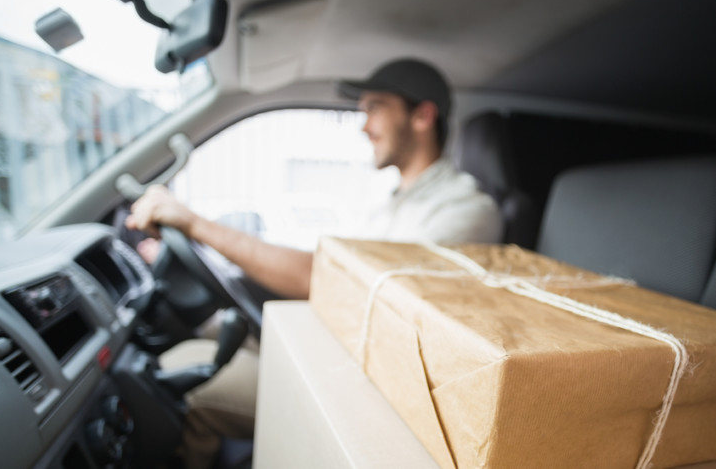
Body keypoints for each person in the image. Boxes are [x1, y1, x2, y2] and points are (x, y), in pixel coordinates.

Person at [125, 58, 503, 468]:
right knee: (196, 346)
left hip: (372, 393)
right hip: (332, 351)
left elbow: (328, 279)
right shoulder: (389, 204)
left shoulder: (465, 211)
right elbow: (326, 266)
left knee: (186, 378)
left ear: (422, 116)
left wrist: (197, 225)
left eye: (375, 107)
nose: (363, 125)